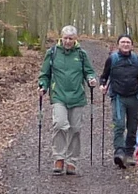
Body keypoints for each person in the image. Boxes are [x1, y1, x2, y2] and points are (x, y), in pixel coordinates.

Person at [38, 26, 99, 175]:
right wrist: (43, 86)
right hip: (58, 94)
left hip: (77, 96)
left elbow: (89, 71)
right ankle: (59, 158)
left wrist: (91, 79)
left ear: (75, 39)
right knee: (59, 124)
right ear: (61, 37)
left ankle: (72, 161)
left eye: (70, 38)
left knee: (75, 129)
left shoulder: (81, 54)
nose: (67, 41)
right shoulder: (52, 53)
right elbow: (44, 74)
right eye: (65, 38)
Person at [101, 33, 138, 168]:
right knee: (119, 124)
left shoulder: (137, 60)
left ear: (132, 45)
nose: (125, 44)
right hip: (118, 97)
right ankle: (119, 152)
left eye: (128, 42)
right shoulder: (112, 59)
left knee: (132, 127)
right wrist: (102, 84)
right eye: (123, 42)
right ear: (118, 44)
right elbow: (104, 76)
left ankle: (129, 154)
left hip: (134, 96)